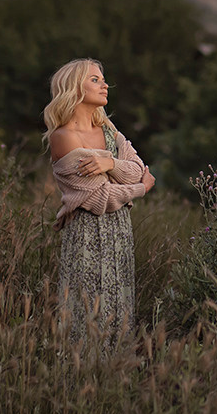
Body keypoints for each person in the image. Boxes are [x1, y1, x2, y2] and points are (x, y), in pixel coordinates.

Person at [44, 58, 155, 345]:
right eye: (95, 79)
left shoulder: (108, 129)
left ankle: (115, 382)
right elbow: (101, 196)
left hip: (119, 232)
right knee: (87, 314)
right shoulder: (64, 137)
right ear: (73, 88)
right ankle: (81, 382)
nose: (105, 84)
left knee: (119, 311)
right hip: (87, 235)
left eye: (102, 78)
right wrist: (140, 189)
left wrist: (107, 163)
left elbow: (136, 169)